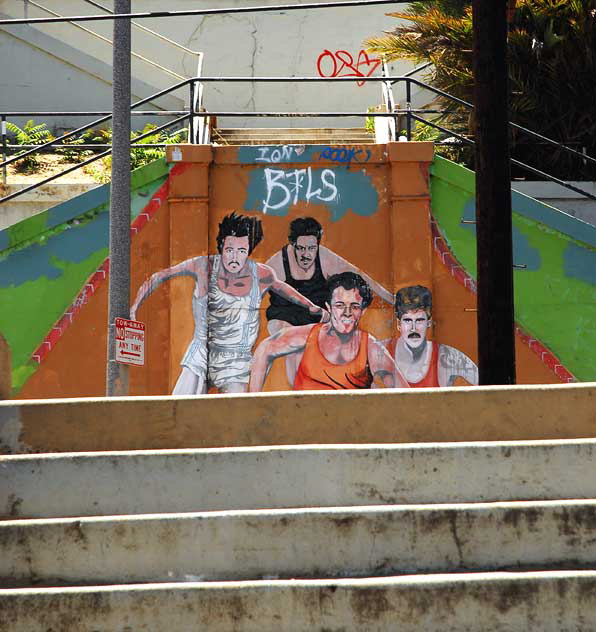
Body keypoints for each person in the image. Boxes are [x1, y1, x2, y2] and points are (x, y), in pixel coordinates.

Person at [131, 212, 328, 395]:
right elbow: (160, 276)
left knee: (236, 414)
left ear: (248, 251)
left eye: (241, 250)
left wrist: (311, 306)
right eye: (229, 250)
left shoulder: (261, 273)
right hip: (202, 354)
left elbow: (283, 288)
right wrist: (134, 308)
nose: (235, 257)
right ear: (221, 248)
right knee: (178, 408)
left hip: (237, 361)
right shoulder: (204, 266)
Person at [265, 217, 394, 383]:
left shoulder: (324, 258)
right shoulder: (277, 263)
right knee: (294, 346)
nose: (306, 254)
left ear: (317, 245)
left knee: (339, 346)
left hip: (316, 316)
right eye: (301, 248)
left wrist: (392, 299)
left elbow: (359, 276)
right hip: (284, 316)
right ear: (292, 245)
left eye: (311, 248)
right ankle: (297, 394)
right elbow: (253, 290)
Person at [250, 272, 409, 391]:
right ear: (328, 307)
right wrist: (253, 401)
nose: (347, 312)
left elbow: (406, 397)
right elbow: (265, 348)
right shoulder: (309, 335)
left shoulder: (371, 348)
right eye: (340, 305)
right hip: (304, 426)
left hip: (346, 430)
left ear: (363, 311)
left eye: (354, 307)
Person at [386, 285, 478, 387]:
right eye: (407, 320)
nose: (413, 329)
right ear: (399, 324)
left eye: (419, 320)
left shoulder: (449, 357)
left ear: (428, 322)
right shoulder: (382, 353)